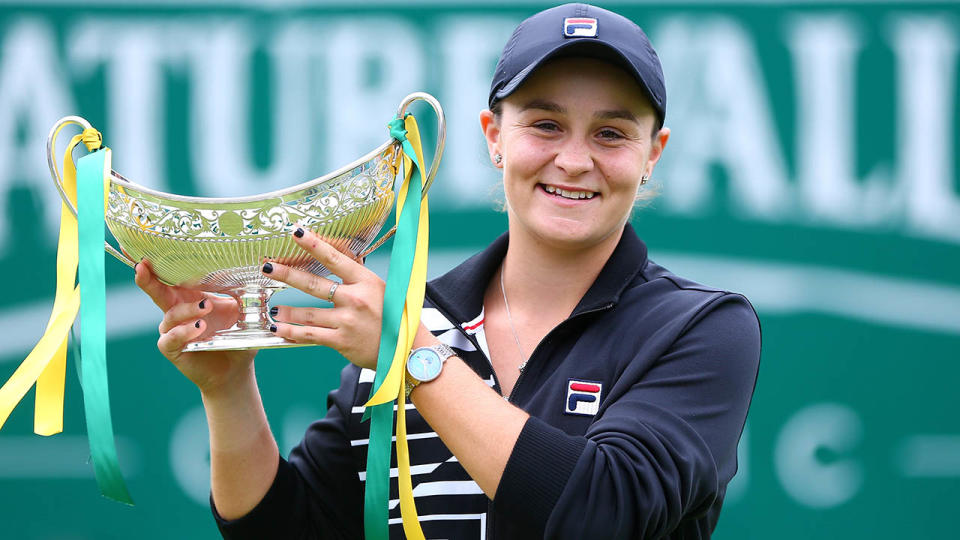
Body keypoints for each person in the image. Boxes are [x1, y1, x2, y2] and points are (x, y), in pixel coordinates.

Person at [135, 3, 761, 538]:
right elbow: (291, 528)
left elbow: (602, 515)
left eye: (612, 133)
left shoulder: (701, 327)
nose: (574, 159)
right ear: (494, 136)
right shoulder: (418, 317)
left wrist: (412, 355)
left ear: (654, 153)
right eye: (545, 125)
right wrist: (226, 390)